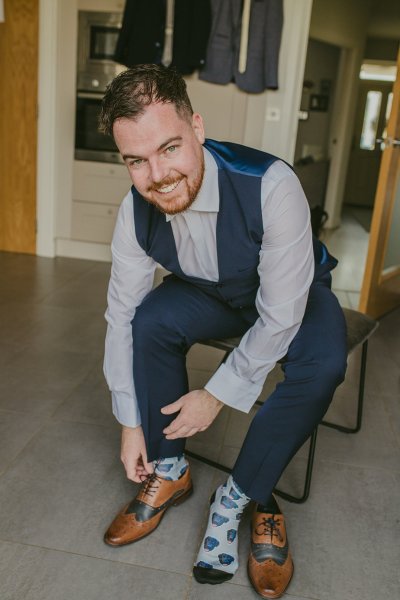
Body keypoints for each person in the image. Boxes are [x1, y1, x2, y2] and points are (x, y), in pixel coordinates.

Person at [99, 64, 347, 599]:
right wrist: (129, 421)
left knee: (323, 363)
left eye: (169, 148)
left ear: (198, 129)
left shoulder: (272, 185)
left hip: (289, 293)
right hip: (209, 293)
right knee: (149, 320)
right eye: (136, 161)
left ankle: (242, 495)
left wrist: (215, 395)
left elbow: (280, 313)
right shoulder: (134, 212)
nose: (157, 175)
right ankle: (169, 468)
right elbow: (121, 311)